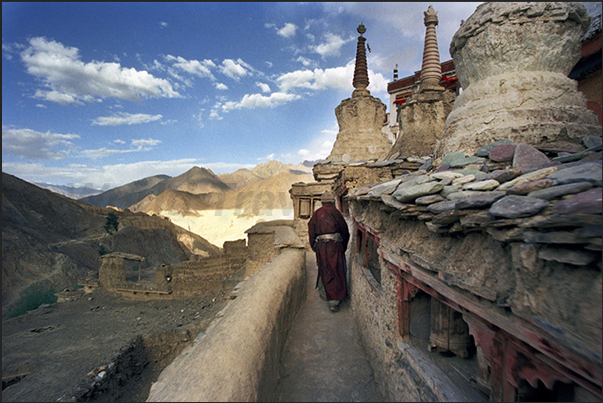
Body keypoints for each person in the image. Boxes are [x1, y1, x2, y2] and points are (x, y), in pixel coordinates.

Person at [308, 190, 350, 312]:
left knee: (325, 269)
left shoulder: (316, 214)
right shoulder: (336, 212)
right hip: (335, 246)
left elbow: (311, 231)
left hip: (322, 246)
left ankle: (327, 296)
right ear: (333, 202)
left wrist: (314, 246)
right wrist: (343, 246)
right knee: (336, 270)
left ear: (322, 202)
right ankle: (335, 301)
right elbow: (345, 231)